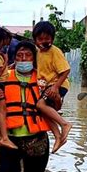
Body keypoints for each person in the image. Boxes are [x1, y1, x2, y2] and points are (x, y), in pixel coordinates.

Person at [0, 41, 51, 172]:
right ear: (13, 58)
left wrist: (57, 96)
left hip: (36, 138)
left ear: (34, 58)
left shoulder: (42, 78)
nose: (24, 59)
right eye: (19, 55)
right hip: (11, 138)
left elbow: (55, 106)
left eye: (28, 55)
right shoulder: (3, 76)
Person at [33, 21, 72, 153]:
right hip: (47, 86)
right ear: (35, 40)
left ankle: (64, 124)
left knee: (40, 105)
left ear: (52, 38)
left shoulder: (55, 51)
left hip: (58, 84)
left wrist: (55, 87)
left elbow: (66, 70)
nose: (44, 42)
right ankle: (58, 137)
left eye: (47, 39)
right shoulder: (38, 53)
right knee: (43, 112)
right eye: (40, 39)